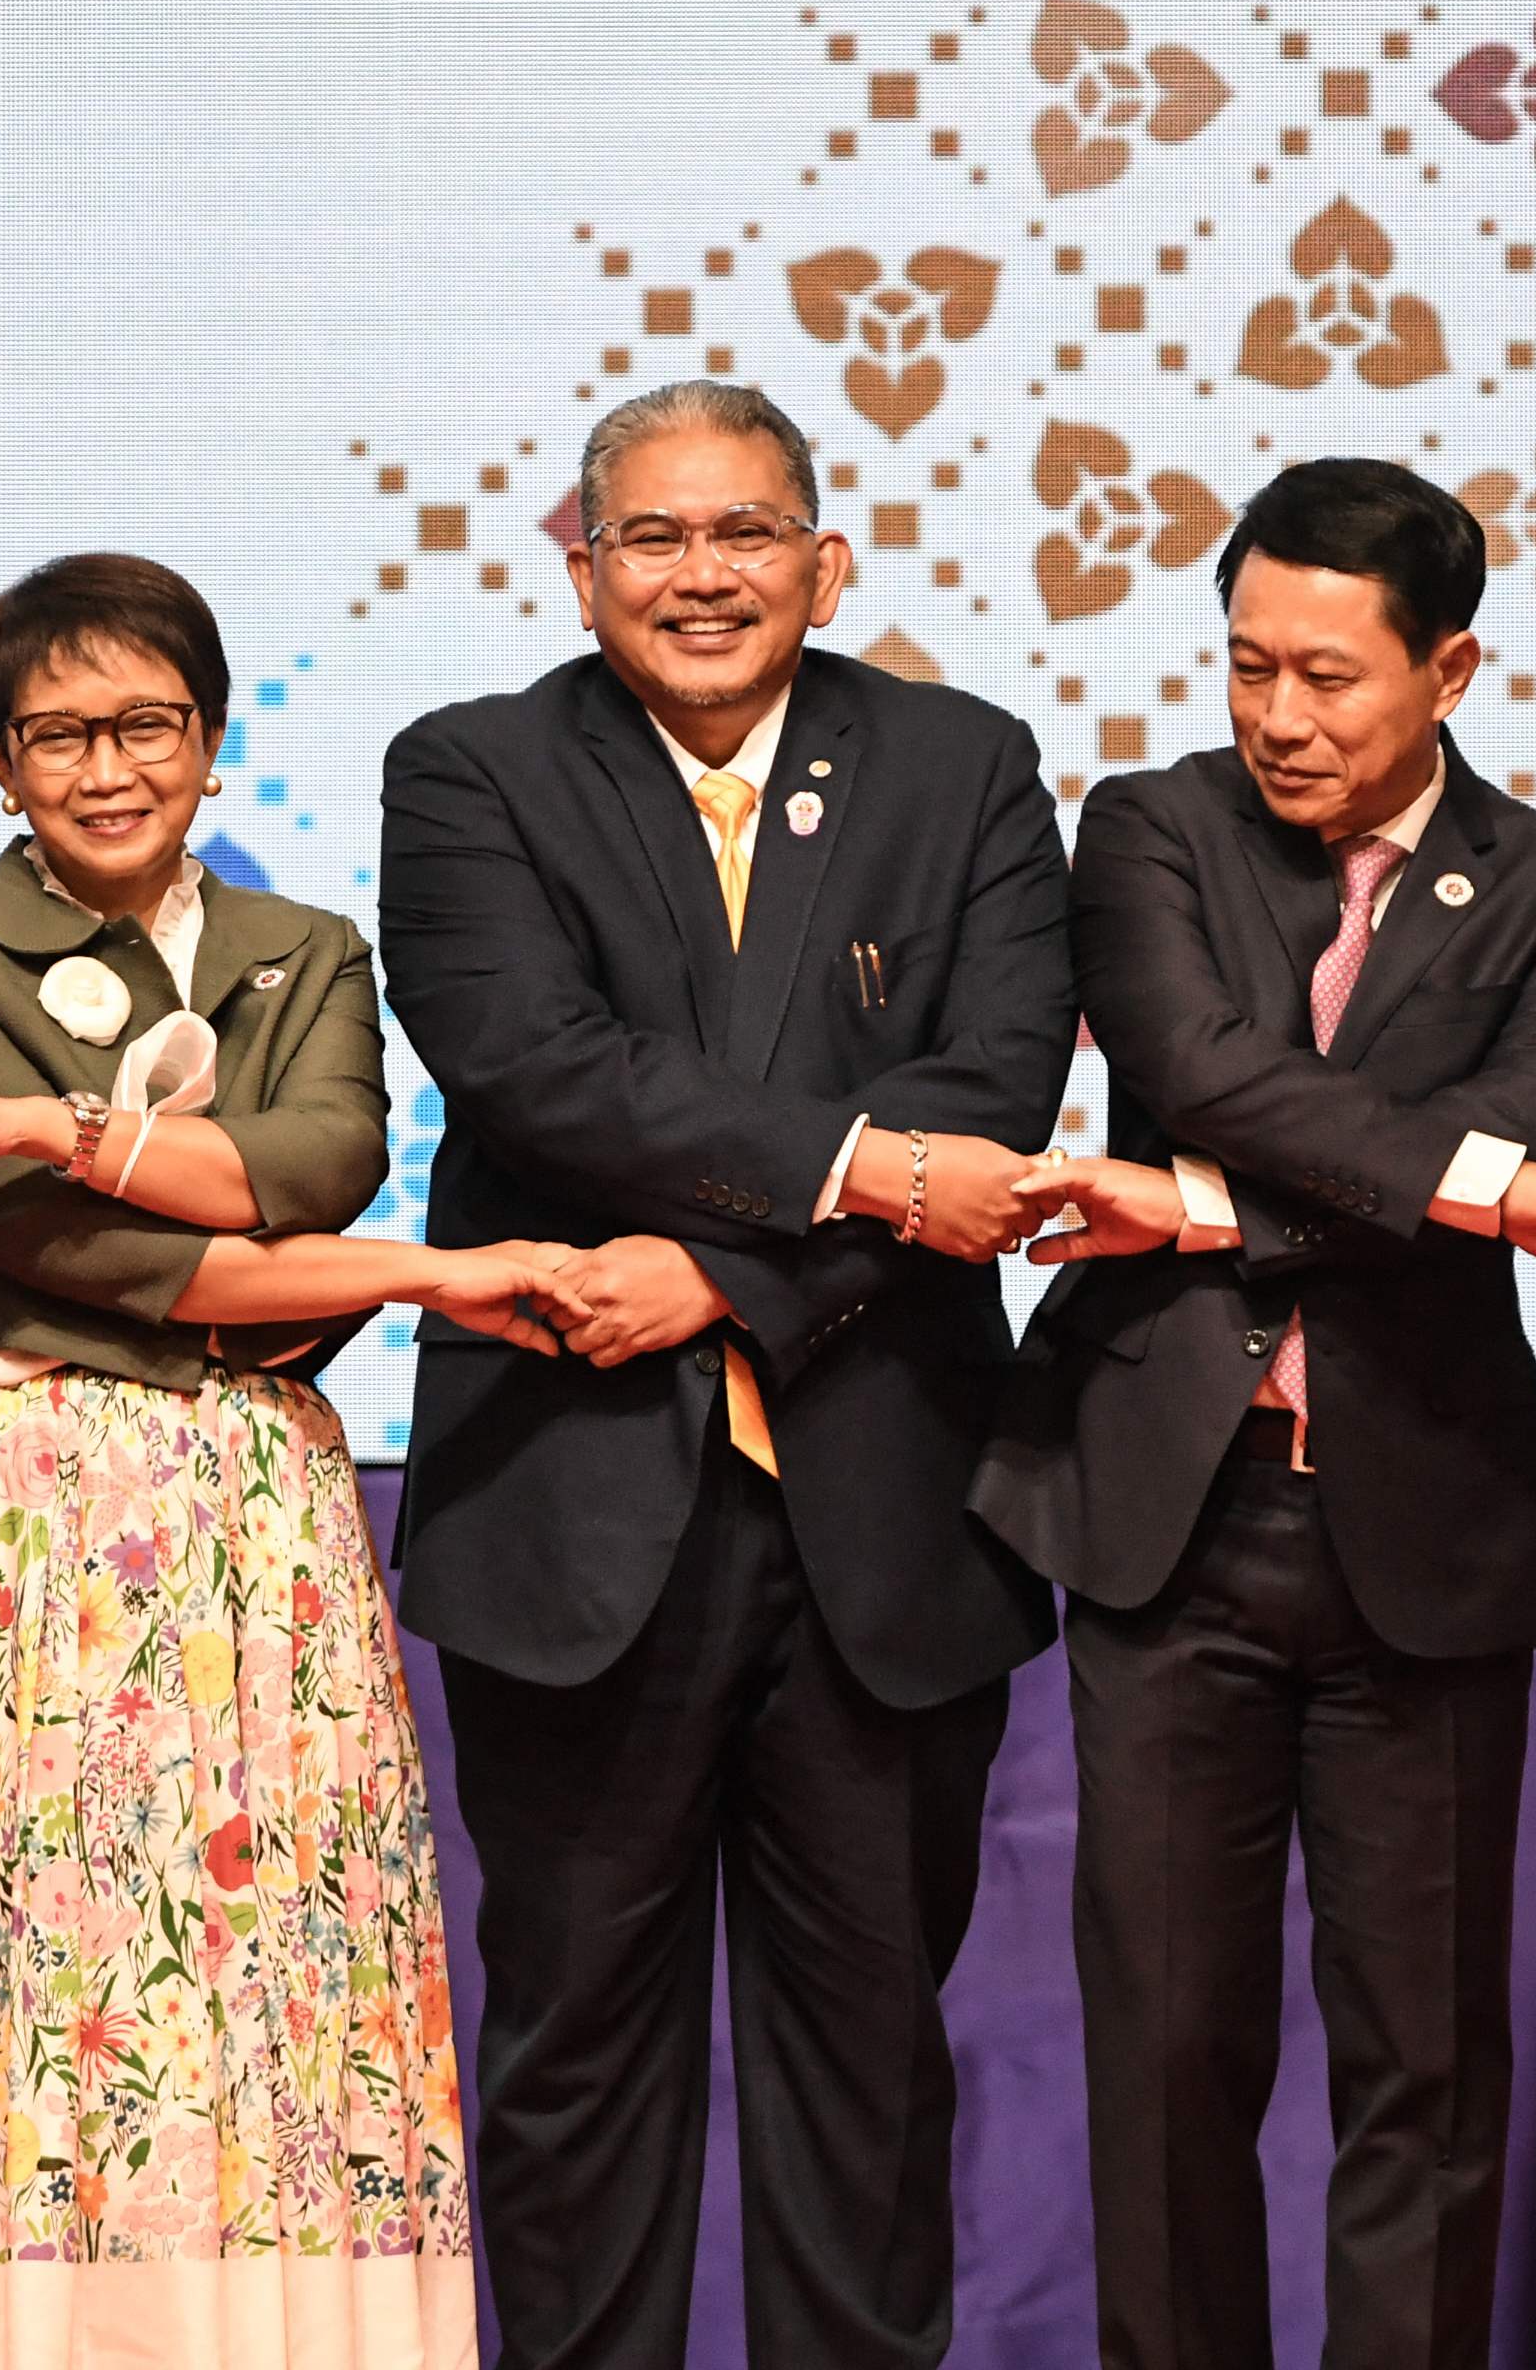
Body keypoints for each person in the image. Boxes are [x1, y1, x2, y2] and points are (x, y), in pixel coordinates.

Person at [378, 379, 1076, 2368]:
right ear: (579, 563)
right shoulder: (474, 772)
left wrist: (710, 1274)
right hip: (574, 1510)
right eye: (658, 538)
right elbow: (533, 1065)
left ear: (825, 558)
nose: (705, 577)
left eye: (747, 532)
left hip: (881, 1500)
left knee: (866, 2081)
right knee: (572, 2066)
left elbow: (993, 1088)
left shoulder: (961, 766)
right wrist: (847, 1172)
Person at [0, 552, 521, 2365]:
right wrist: (411, 1274)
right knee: (24, 1977)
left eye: (145, 726)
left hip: (259, 1514)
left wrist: (47, 1125)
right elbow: (50, 1253)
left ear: (209, 734)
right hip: (26, 1520)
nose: (107, 768)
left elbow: (321, 1169)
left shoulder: (309, 953)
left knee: (271, 1965)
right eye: (59, 735)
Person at [972, 457, 1536, 2370]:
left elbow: (1507, 1144)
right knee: (1169, 2055)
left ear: (1448, 669)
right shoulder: (1150, 828)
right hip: (1168, 1521)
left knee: (1423, 2067)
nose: (1278, 715)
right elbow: (1202, 1068)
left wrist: (1193, 1206)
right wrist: (1471, 1189)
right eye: (1246, 664)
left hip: (1421, 1528)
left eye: (1330, 676)